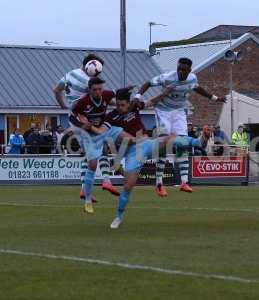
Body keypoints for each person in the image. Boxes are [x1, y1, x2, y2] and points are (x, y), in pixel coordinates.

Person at [105, 88, 210, 229]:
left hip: (147, 144)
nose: (119, 108)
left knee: (168, 139)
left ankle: (199, 142)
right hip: (132, 153)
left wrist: (165, 93)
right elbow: (104, 132)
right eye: (117, 105)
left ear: (128, 103)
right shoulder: (111, 117)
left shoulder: (134, 106)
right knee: (128, 186)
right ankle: (119, 216)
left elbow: (151, 102)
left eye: (122, 105)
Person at [134, 57, 226, 197]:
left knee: (183, 144)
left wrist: (215, 98)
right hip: (163, 111)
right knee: (164, 145)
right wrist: (137, 96)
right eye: (179, 69)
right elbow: (148, 83)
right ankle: (159, 184)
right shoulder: (168, 77)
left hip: (179, 112)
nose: (181, 72)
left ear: (189, 70)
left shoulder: (192, 78)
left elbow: (197, 88)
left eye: (184, 70)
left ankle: (184, 182)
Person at [53, 53, 118, 201]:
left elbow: (56, 90)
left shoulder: (69, 74)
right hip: (85, 119)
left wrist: (63, 105)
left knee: (89, 153)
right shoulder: (87, 81)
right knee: (101, 148)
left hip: (73, 118)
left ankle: (84, 188)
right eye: (99, 70)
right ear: (91, 66)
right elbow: (104, 98)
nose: (99, 73)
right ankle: (106, 181)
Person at [69, 77, 133, 214]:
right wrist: (81, 124)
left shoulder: (107, 95)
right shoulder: (83, 102)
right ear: (89, 90)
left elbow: (117, 92)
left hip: (103, 129)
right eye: (95, 90)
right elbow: (71, 115)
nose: (98, 92)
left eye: (100, 89)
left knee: (125, 136)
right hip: (88, 134)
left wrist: (127, 89)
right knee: (92, 164)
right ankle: (87, 200)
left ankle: (117, 165)